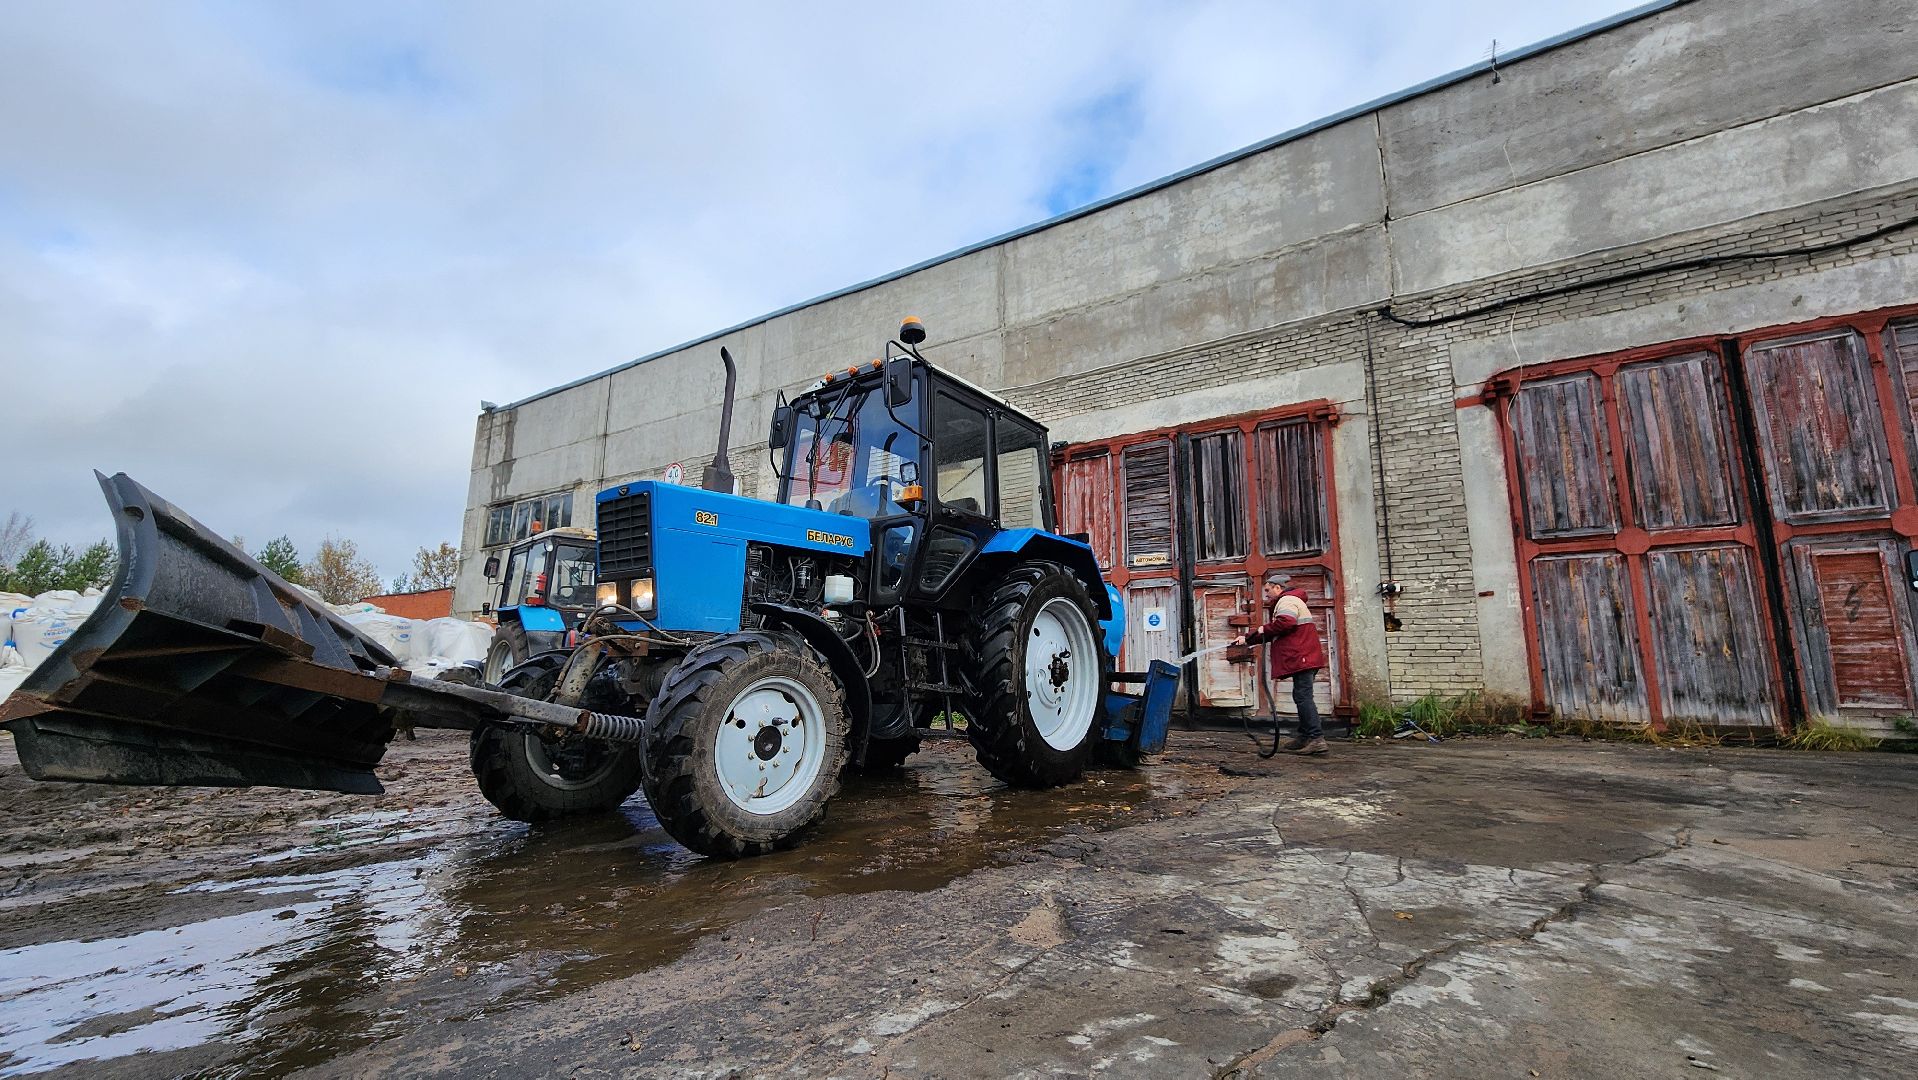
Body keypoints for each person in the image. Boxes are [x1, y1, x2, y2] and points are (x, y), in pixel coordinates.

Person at [1232, 573, 1329, 755]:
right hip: (1304, 656)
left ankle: (1316, 738)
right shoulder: (1288, 601)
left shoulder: (1287, 601)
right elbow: (1275, 631)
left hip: (1303, 656)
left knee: (1303, 697)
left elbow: (1286, 623)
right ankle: (1305, 736)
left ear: (1278, 587)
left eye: (1268, 590)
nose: (1266, 594)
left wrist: (1260, 629)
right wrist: (1247, 638)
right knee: (1300, 695)